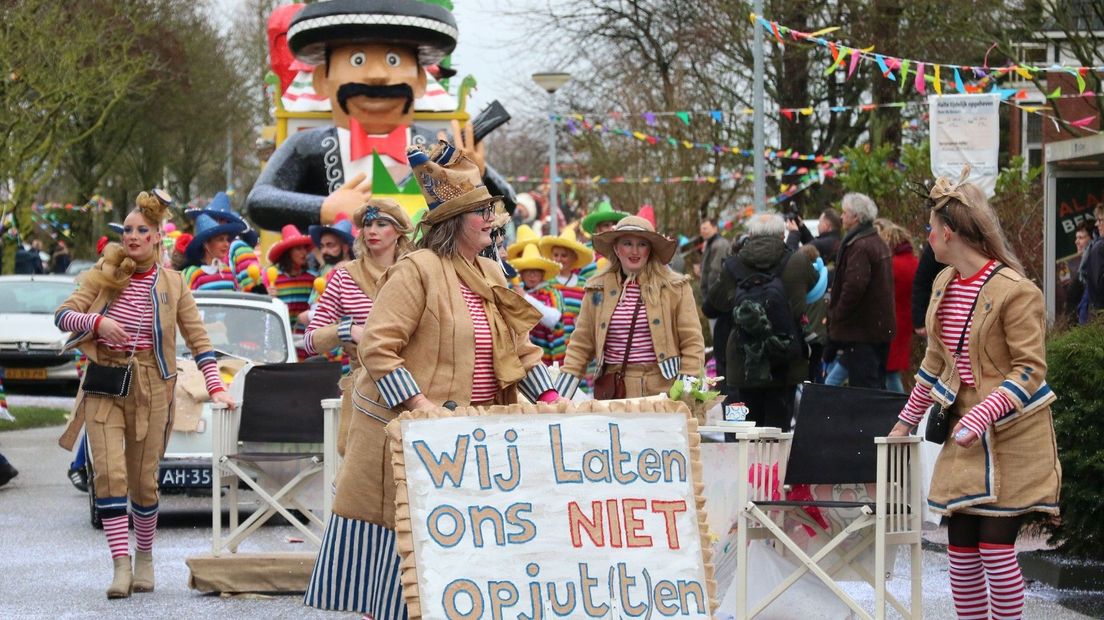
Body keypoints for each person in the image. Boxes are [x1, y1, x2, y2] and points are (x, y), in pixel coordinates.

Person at [316, 141, 558, 620]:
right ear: (453, 222)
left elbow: (520, 348)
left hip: (471, 440)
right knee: (395, 569)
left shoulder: (491, 270)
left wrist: (551, 396)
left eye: (491, 211)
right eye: (481, 213)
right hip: (407, 438)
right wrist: (420, 405)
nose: (493, 219)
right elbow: (377, 347)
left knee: (459, 563)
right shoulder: (417, 269)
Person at [889, 168, 1060, 620]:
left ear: (948, 233)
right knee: (961, 548)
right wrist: (906, 420)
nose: (926, 237)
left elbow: (1030, 370)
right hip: (962, 436)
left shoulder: (1016, 291)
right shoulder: (944, 285)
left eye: (929, 229)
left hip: (1012, 437)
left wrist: (983, 415)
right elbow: (935, 362)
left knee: (995, 548)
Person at [54, 191, 234, 598]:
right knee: (109, 474)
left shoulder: (173, 282)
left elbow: (199, 340)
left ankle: (145, 557)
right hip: (105, 380)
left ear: (157, 237)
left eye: (142, 231)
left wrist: (216, 386)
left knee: (144, 481)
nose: (133, 237)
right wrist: (97, 323)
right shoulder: (104, 273)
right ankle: (120, 565)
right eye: (128, 230)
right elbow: (63, 314)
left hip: (153, 384)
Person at [246, 0, 506, 230]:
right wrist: (324, 208)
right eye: (357, 60)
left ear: (420, 80)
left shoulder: (440, 146)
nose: (377, 75)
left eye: (393, 60)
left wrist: (479, 179)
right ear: (322, 79)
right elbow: (260, 200)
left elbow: (509, 205)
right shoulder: (307, 146)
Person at [303, 198, 416, 615]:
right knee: (364, 500)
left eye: (382, 223)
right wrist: (349, 329)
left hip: (412, 393)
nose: (372, 231)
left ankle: (406, 599)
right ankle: (367, 599)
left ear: (399, 232)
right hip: (364, 396)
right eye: (366, 224)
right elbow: (310, 339)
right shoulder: (342, 277)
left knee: (410, 496)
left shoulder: (416, 271)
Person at [556, 216, 704, 399]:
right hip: (616, 393)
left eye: (642, 244)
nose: (635, 251)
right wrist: (557, 398)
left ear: (650, 250)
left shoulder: (675, 287)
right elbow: (580, 345)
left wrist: (684, 394)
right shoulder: (597, 289)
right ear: (617, 249)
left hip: (663, 392)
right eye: (627, 243)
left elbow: (692, 344)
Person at [708, 213, 816, 429]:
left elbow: (713, 304)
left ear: (750, 235)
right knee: (778, 432)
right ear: (781, 234)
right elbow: (813, 288)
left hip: (743, 360)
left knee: (745, 432)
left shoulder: (733, 265)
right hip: (785, 359)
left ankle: (749, 464)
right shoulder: (798, 261)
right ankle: (776, 464)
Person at [826, 193, 895, 389]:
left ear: (856, 217)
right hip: (876, 329)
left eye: (845, 212)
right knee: (875, 386)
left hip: (862, 331)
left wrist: (837, 315)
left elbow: (854, 286)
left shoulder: (860, 246)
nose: (841, 217)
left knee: (865, 389)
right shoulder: (876, 242)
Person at [538, 227, 596, 365]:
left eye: (564, 255)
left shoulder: (584, 285)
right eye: (556, 255)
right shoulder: (546, 284)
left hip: (577, 347)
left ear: (574, 258)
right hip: (550, 346)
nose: (559, 259)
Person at [875, 218, 919, 393]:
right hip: (906, 320)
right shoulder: (914, 262)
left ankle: (901, 407)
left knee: (889, 371)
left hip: (891, 321)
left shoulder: (892, 265)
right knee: (891, 369)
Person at [265, 225, 317, 361]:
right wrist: (268, 298)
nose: (304, 253)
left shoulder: (313, 279)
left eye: (305, 248)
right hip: (280, 345)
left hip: (306, 345)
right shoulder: (273, 278)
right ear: (288, 252)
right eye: (298, 249)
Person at [509, 244, 564, 365]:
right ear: (521, 274)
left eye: (536, 271)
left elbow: (552, 319)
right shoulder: (512, 292)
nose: (532, 275)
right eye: (528, 271)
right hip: (524, 358)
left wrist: (525, 297)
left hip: (552, 357)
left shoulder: (552, 292)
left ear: (543, 274)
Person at [699, 216, 732, 386]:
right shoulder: (710, 244)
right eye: (701, 228)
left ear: (714, 227)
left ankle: (722, 378)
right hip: (711, 297)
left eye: (705, 228)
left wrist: (711, 295)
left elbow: (715, 271)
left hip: (716, 301)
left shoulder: (719, 245)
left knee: (719, 337)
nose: (702, 231)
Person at [180, 214, 247, 291]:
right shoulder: (192, 273)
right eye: (221, 239)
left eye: (227, 239)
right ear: (206, 244)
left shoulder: (227, 271)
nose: (227, 244)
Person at [1066, 221, 1094, 324]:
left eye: (1081, 238)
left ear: (1092, 239)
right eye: (1076, 238)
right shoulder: (1080, 265)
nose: (1076, 242)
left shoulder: (1093, 265)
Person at [1082, 205, 1104, 314]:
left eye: (1100, 220)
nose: (1096, 224)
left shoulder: (1099, 247)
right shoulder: (1099, 247)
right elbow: (1099, 284)